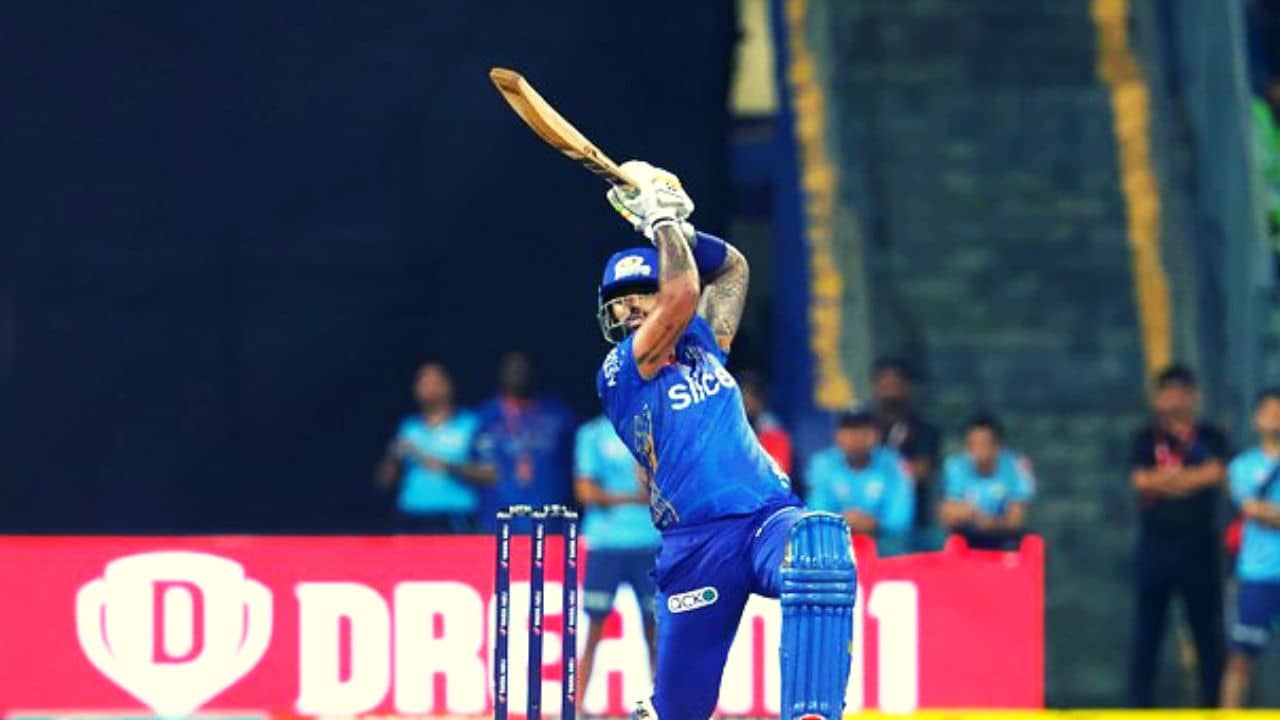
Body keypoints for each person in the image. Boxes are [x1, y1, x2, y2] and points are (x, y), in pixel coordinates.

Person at [596, 160, 856, 720]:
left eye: (643, 291)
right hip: (696, 547)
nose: (633, 304)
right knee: (681, 710)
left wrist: (680, 232)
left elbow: (733, 268)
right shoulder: (622, 372)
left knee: (819, 550)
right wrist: (661, 221)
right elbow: (683, 292)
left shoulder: (703, 344)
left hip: (764, 518)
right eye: (622, 299)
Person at [1127, 365, 1228, 708]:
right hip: (1156, 546)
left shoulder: (1210, 436)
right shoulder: (1146, 438)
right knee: (1147, 631)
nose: (1174, 400)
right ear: (1156, 398)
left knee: (1206, 630)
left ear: (1194, 397)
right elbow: (1141, 480)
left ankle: (1213, 705)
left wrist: (1167, 481)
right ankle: (1139, 706)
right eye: (1167, 392)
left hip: (1199, 547)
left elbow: (1215, 474)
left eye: (1181, 392)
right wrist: (1188, 479)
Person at [573, 414, 660, 703]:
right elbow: (585, 491)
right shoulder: (592, 433)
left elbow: (668, 487)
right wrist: (635, 499)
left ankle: (665, 707)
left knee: (656, 630)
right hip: (605, 542)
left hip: (649, 541)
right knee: (593, 630)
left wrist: (648, 485)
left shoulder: (655, 428)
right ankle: (576, 707)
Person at [1220, 388, 1280, 707]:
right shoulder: (1242, 467)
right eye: (1270, 411)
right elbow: (1252, 510)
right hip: (1258, 573)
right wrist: (1265, 513)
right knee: (1241, 656)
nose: (1276, 417)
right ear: (1257, 419)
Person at [472, 352, 576, 532]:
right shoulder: (486, 416)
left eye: (523, 369)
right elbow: (476, 465)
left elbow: (575, 465)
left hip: (550, 518)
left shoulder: (559, 415)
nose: (518, 374)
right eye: (512, 370)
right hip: (497, 519)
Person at [375, 362, 485, 533]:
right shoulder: (408, 428)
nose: (429, 388)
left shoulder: (471, 424)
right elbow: (384, 483)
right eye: (423, 382)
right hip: (412, 516)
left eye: (435, 381)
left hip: (456, 516)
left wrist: (441, 464)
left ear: (449, 385)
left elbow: (489, 474)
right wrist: (393, 457)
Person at [804, 409, 914, 555]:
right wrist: (844, 521)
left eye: (864, 431)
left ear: (877, 435)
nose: (856, 438)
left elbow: (900, 519)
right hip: (833, 546)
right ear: (837, 436)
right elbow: (816, 512)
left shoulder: (894, 464)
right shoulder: (822, 464)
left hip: (883, 546)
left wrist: (874, 525)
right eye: (849, 430)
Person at [871, 358, 942, 551]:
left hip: (915, 525)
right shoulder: (867, 428)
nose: (890, 391)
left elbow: (921, 471)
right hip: (870, 520)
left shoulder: (924, 430)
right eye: (884, 384)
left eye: (895, 384)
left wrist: (886, 470)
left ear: (906, 387)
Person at [939, 413, 1035, 551]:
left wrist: (991, 523)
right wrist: (973, 516)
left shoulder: (1017, 467)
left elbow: (1016, 518)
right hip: (968, 537)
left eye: (984, 444)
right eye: (972, 444)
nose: (978, 450)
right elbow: (948, 514)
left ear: (997, 446)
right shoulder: (956, 467)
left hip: (1004, 539)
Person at [738, 370, 794, 477]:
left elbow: (777, 472)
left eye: (745, 395)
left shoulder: (773, 430)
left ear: (757, 398)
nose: (742, 401)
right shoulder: (734, 425)